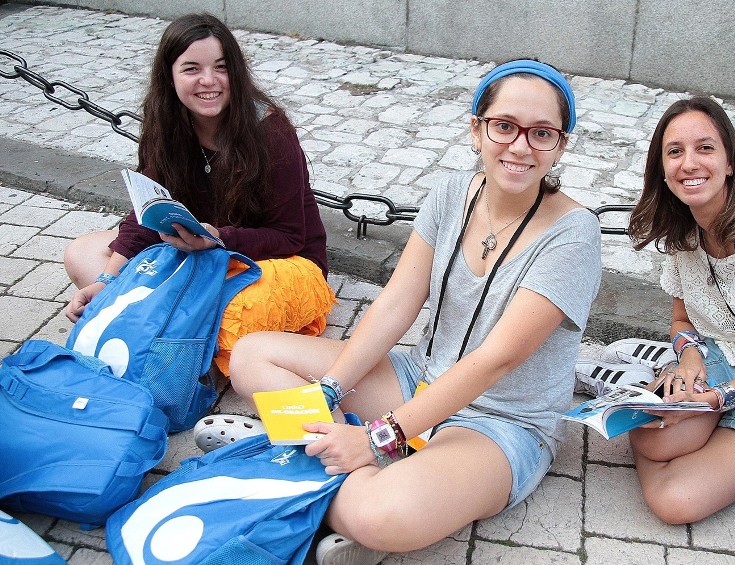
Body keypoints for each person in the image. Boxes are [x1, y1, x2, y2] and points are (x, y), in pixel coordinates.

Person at [221, 59, 601, 564]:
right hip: (420, 376)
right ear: (476, 128)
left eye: (542, 133)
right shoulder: (449, 193)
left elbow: (497, 360)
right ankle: (330, 453)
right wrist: (331, 387)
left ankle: (302, 453)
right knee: (251, 354)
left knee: (384, 514)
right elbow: (397, 304)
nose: (520, 146)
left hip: (501, 421)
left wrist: (378, 440)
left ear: (561, 143)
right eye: (504, 126)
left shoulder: (573, 234)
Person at [578, 96, 735, 525]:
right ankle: (668, 389)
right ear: (662, 170)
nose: (689, 163)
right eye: (675, 151)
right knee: (651, 444)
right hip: (724, 353)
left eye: (705, 148)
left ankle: (686, 406)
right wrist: (691, 357)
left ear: (731, 161)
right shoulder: (684, 232)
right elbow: (682, 322)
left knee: (674, 501)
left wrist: (716, 399)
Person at [63, 14, 335, 375]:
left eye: (221, 68)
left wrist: (218, 239)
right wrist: (107, 281)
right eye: (192, 69)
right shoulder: (166, 125)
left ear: (235, 73)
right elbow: (147, 212)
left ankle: (161, 321)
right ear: (170, 76)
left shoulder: (270, 133)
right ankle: (173, 326)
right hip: (198, 253)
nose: (209, 81)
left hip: (276, 262)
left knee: (232, 317)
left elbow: (289, 237)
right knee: (81, 253)